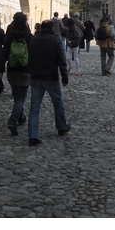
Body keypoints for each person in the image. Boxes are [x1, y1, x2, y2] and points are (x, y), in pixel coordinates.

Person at [27, 19, 70, 147]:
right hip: (50, 77)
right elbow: (61, 60)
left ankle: (32, 135)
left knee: (34, 107)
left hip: (36, 77)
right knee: (57, 102)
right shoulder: (55, 40)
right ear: (52, 28)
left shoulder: (33, 40)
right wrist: (64, 76)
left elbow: (30, 58)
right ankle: (61, 126)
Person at [3, 12, 32, 136]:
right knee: (20, 98)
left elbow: (4, 53)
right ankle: (13, 121)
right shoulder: (29, 37)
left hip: (12, 69)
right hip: (25, 70)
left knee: (16, 96)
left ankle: (21, 117)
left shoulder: (9, 36)